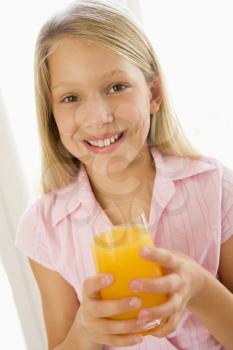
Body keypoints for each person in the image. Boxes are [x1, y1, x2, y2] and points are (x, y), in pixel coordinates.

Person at [15, 0, 233, 349]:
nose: (98, 117)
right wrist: (85, 332)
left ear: (154, 94)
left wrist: (200, 288)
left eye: (116, 87)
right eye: (71, 97)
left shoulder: (215, 188)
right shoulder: (46, 228)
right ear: (51, 114)